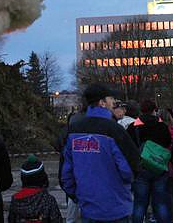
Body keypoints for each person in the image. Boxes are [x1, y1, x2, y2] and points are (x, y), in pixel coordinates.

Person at [60, 84, 140, 223]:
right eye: (111, 98)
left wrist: (77, 195)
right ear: (102, 103)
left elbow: (65, 173)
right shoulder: (115, 130)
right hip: (116, 206)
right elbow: (130, 169)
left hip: (88, 207)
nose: (113, 102)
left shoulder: (73, 130)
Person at [127, 99, 173, 223]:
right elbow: (168, 142)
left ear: (141, 110)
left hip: (141, 168)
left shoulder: (133, 127)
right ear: (154, 110)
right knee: (161, 204)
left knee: (139, 204)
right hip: (159, 168)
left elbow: (128, 147)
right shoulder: (161, 125)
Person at [8, 155, 62, 223]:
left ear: (23, 179)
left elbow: (11, 220)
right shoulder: (48, 200)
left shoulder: (15, 200)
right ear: (43, 177)